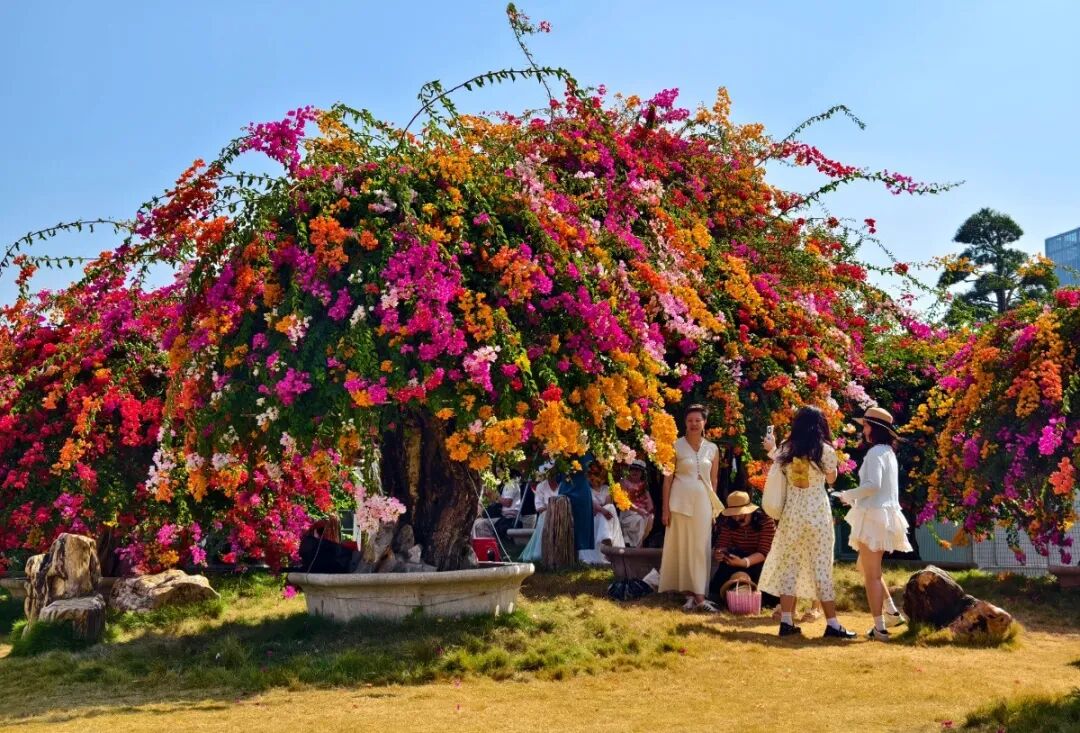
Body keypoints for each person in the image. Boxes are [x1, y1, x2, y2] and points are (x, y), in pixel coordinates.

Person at [759, 406, 856, 639]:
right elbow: (831, 479)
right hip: (817, 513)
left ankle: (786, 621)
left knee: (789, 566)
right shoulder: (825, 450)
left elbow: (779, 464)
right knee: (821, 566)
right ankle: (832, 624)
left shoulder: (786, 448)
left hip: (792, 513)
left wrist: (773, 449)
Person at [838, 406, 912, 641]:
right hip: (883, 515)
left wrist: (847, 494)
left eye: (866, 426)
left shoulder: (875, 453)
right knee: (865, 566)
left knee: (871, 574)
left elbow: (873, 485)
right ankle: (891, 612)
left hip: (873, 516)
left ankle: (880, 628)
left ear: (874, 429)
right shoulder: (888, 452)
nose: (864, 430)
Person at [659, 404, 724, 612]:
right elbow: (667, 480)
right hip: (679, 503)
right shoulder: (674, 446)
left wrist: (713, 508)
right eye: (690, 420)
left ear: (705, 422)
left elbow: (714, 480)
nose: (694, 424)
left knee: (700, 547)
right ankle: (689, 595)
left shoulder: (712, 449)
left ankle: (700, 595)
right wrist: (665, 510)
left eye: (698, 420)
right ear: (685, 423)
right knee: (683, 547)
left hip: (704, 503)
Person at [709, 491, 778, 608]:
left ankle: (756, 597)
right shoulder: (728, 521)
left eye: (740, 514)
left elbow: (764, 552)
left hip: (759, 563)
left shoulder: (766, 521)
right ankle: (719, 595)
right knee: (727, 563)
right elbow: (722, 544)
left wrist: (744, 562)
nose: (736, 518)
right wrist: (720, 553)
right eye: (733, 514)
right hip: (736, 559)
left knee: (770, 595)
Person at [578, 460, 627, 565]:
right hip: (594, 518)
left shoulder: (606, 489)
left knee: (610, 507)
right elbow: (593, 505)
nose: (593, 479)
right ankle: (607, 543)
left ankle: (606, 540)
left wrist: (602, 510)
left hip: (605, 516)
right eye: (591, 476)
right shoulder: (587, 490)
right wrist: (602, 510)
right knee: (607, 511)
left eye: (596, 475)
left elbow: (608, 503)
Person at [521, 461, 559, 563]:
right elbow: (539, 507)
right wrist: (551, 508)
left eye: (553, 472)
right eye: (549, 472)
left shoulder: (563, 484)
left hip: (562, 514)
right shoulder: (541, 486)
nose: (552, 475)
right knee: (546, 516)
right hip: (546, 516)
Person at [619, 459, 655, 548]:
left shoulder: (643, 485)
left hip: (641, 512)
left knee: (650, 518)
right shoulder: (624, 482)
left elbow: (649, 503)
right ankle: (638, 546)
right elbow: (624, 502)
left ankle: (639, 543)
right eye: (632, 469)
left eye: (638, 470)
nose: (634, 472)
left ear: (642, 473)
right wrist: (639, 510)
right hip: (628, 512)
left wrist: (649, 512)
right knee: (640, 519)